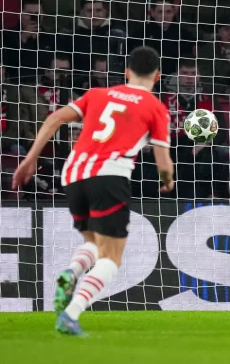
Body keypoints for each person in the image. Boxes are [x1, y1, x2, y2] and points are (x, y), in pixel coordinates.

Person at [12, 47, 174, 336]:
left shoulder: (98, 94)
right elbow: (162, 158)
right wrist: (167, 178)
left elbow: (53, 119)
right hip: (109, 175)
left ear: (126, 72)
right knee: (111, 257)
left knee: (94, 242)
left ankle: (71, 272)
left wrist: (30, 158)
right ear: (157, 76)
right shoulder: (155, 107)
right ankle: (71, 314)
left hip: (73, 172)